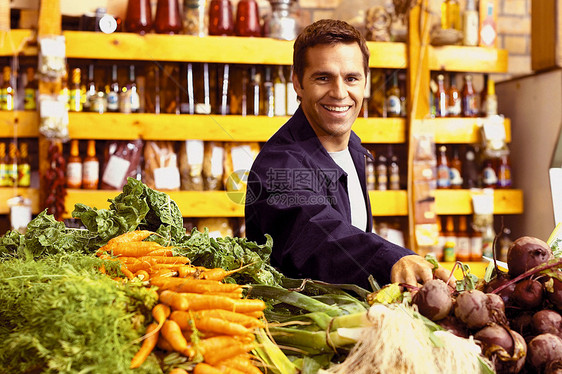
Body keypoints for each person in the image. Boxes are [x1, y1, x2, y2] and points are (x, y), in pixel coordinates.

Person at [245, 19, 452, 290]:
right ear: (297, 82)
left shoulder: (352, 148)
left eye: (351, 78)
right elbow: (318, 235)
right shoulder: (279, 164)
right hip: (292, 325)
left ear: (365, 82)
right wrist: (391, 259)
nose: (340, 93)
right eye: (323, 78)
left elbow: (352, 236)